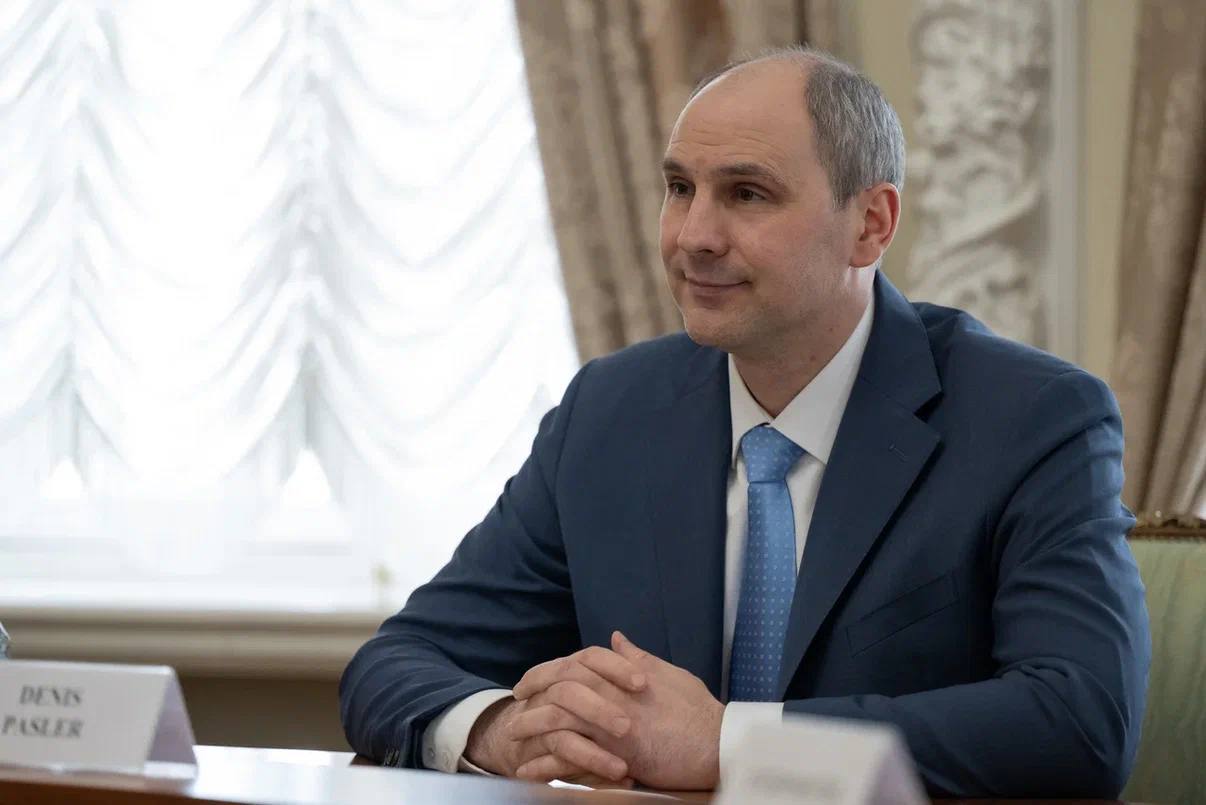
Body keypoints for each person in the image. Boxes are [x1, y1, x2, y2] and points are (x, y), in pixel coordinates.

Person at [339, 46, 1150, 798]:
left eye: (747, 194)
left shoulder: (1032, 419)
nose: (694, 236)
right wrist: (501, 730)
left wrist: (730, 742)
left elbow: (1079, 721)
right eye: (679, 188)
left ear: (871, 224)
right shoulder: (610, 414)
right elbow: (397, 662)